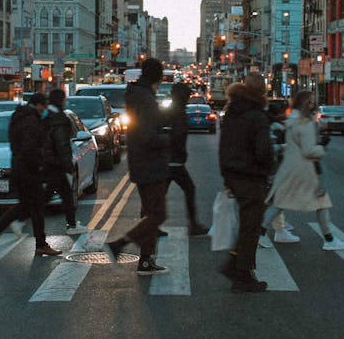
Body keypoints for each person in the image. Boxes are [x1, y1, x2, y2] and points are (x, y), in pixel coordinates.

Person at [105, 58, 172, 275]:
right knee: (158, 215)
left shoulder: (137, 95)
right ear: (159, 77)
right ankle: (120, 244)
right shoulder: (146, 100)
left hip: (140, 161)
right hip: (150, 163)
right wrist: (167, 139)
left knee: (150, 214)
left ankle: (145, 261)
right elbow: (148, 135)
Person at [262, 90, 344, 252]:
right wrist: (322, 146)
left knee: (280, 201)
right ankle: (329, 239)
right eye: (311, 102)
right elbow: (309, 151)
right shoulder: (306, 123)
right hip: (306, 169)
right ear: (305, 104)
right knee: (322, 202)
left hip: (289, 168)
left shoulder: (291, 121)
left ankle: (260, 232)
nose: (313, 105)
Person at [0, 93, 62, 257]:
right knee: (35, 206)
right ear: (38, 105)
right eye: (44, 106)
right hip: (29, 170)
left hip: (19, 168)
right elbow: (30, 147)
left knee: (29, 205)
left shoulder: (19, 116)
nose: (45, 110)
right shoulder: (30, 120)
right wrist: (39, 166)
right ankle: (38, 243)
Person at [217, 72, 275, 292]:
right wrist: (267, 169)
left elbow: (223, 146)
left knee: (246, 225)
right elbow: (263, 151)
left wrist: (226, 176)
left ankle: (236, 265)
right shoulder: (257, 116)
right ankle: (241, 273)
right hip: (251, 176)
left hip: (233, 174)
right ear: (262, 92)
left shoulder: (231, 111)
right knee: (251, 226)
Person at [43, 89, 88, 236]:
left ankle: (72, 224)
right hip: (56, 163)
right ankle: (20, 218)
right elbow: (62, 144)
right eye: (64, 99)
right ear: (60, 100)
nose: (65, 102)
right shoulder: (58, 119)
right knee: (51, 195)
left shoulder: (47, 116)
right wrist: (68, 165)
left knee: (64, 194)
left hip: (49, 162)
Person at [165, 82, 208, 236]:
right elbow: (174, 135)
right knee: (189, 189)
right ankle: (193, 224)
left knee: (160, 193)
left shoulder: (174, 111)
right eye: (187, 96)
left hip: (172, 160)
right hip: (173, 161)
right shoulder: (176, 112)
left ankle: (152, 223)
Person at [258, 100, 299, 247]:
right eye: (285, 112)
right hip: (275, 168)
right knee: (278, 199)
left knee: (275, 199)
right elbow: (271, 147)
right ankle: (262, 231)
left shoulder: (273, 124)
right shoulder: (274, 126)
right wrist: (285, 146)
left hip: (275, 167)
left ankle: (280, 229)